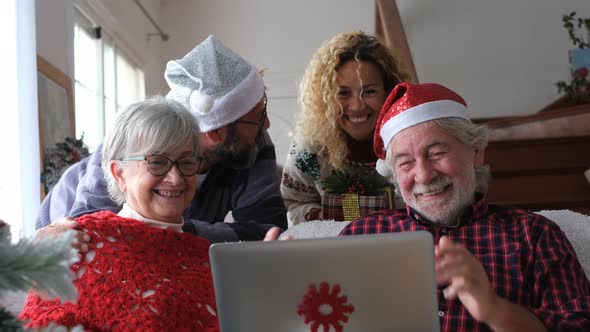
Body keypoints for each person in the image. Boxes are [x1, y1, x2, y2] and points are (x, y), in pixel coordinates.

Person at [340, 82, 590, 331]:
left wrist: (494, 309)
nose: (424, 175)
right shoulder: (361, 236)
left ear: (477, 152)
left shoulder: (535, 236)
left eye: (437, 153)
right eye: (405, 163)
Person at [37, 35, 287, 244]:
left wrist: (177, 231)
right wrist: (173, 232)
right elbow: (91, 232)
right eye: (258, 117)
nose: (266, 124)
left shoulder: (251, 142)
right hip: (61, 215)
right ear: (216, 132)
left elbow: (269, 232)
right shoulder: (132, 138)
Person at [20, 97, 220, 331]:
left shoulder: (209, 257)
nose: (175, 178)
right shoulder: (80, 245)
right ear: (118, 173)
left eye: (186, 162)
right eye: (156, 162)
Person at [280, 31, 410, 226]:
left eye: (369, 91)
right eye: (343, 93)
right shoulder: (307, 148)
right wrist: (330, 224)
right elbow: (296, 202)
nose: (357, 106)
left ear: (390, 91)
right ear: (324, 98)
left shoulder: (412, 141)